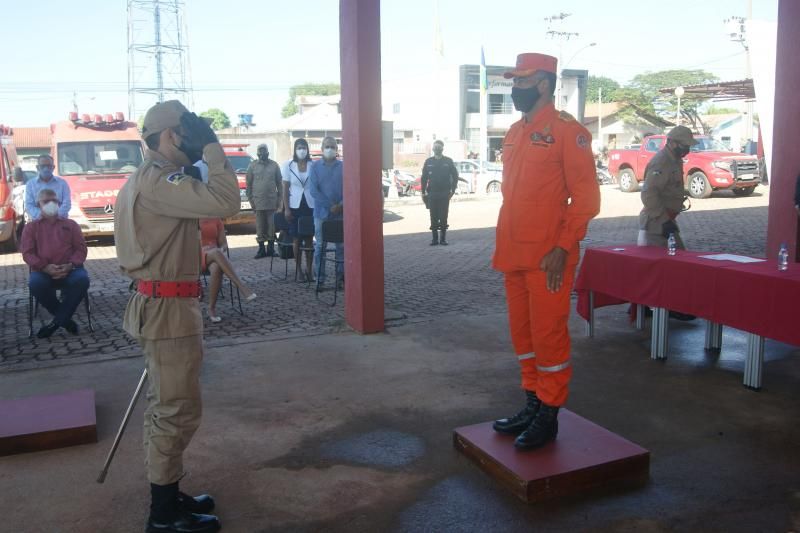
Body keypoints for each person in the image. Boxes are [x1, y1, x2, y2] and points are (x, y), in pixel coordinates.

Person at [115, 100, 240, 533]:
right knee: (176, 411)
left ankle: (168, 494)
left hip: (160, 305)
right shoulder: (161, 181)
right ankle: (163, 516)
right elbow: (227, 200)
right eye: (187, 133)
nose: (191, 141)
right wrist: (213, 148)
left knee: (166, 408)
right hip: (167, 311)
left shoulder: (146, 179)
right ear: (171, 136)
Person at [491, 53, 600, 451]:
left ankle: (550, 414)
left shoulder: (567, 132)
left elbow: (586, 198)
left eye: (522, 81)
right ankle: (532, 402)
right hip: (512, 252)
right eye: (513, 81)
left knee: (549, 336)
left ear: (543, 84)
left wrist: (562, 246)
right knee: (524, 334)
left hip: (548, 258)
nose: (515, 88)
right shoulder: (516, 131)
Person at [20, 188, 89, 338]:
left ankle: (56, 323)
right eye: (46, 201)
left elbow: (81, 249)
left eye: (54, 201)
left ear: (59, 203)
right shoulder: (31, 228)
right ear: (38, 204)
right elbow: (27, 253)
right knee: (36, 284)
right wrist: (45, 267)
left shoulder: (71, 225)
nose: (51, 204)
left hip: (70, 269)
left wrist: (70, 265)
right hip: (42, 271)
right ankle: (65, 321)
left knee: (82, 280)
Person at [637, 125, 697, 249]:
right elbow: (649, 194)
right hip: (657, 221)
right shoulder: (662, 161)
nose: (686, 149)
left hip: (667, 219)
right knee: (668, 262)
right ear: (672, 143)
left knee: (678, 258)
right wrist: (664, 220)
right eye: (684, 145)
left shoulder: (675, 159)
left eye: (688, 146)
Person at [200, 218, 256, 322]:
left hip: (214, 256)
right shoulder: (190, 217)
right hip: (195, 257)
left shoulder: (216, 219)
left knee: (217, 267)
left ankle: (211, 308)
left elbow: (223, 243)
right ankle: (242, 287)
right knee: (217, 253)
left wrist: (222, 248)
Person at [309, 136, 344, 287]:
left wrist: (340, 205)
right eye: (327, 146)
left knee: (341, 247)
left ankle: (340, 278)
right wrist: (330, 205)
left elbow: (350, 189)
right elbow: (313, 191)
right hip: (321, 214)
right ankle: (320, 279)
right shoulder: (315, 167)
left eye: (332, 146)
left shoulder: (344, 167)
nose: (330, 149)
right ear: (322, 149)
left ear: (336, 149)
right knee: (320, 247)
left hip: (341, 214)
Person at [282, 138, 316, 281]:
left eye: (304, 147)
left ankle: (309, 270)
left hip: (310, 205)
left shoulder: (313, 165)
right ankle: (298, 270)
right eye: (299, 147)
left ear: (307, 149)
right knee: (296, 238)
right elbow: (284, 188)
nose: (302, 150)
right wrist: (286, 209)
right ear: (295, 149)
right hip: (295, 205)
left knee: (309, 239)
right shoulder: (288, 165)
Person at [246, 143, 282, 259]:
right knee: (260, 227)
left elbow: (279, 184)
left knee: (271, 226)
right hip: (258, 202)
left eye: (264, 151)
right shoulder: (252, 166)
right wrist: (251, 201)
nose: (262, 153)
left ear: (268, 152)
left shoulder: (275, 165)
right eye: (260, 151)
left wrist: (280, 201)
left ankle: (271, 249)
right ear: (257, 153)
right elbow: (248, 186)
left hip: (272, 202)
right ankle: (261, 249)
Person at [421, 140, 459, 246]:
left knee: (443, 216)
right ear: (433, 149)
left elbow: (455, 176)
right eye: (435, 147)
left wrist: (453, 190)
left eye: (439, 147)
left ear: (442, 149)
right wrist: (423, 192)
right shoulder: (428, 162)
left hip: (444, 193)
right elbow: (424, 178)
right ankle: (434, 239)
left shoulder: (448, 161)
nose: (437, 149)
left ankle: (443, 239)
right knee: (433, 216)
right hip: (432, 193)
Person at [24, 154, 71, 221]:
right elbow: (29, 205)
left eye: (49, 166)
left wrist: (56, 216)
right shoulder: (30, 184)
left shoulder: (62, 183)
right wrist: (42, 216)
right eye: (42, 166)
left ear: (53, 167)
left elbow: (67, 204)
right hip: (39, 223)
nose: (46, 169)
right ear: (37, 167)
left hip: (60, 223)